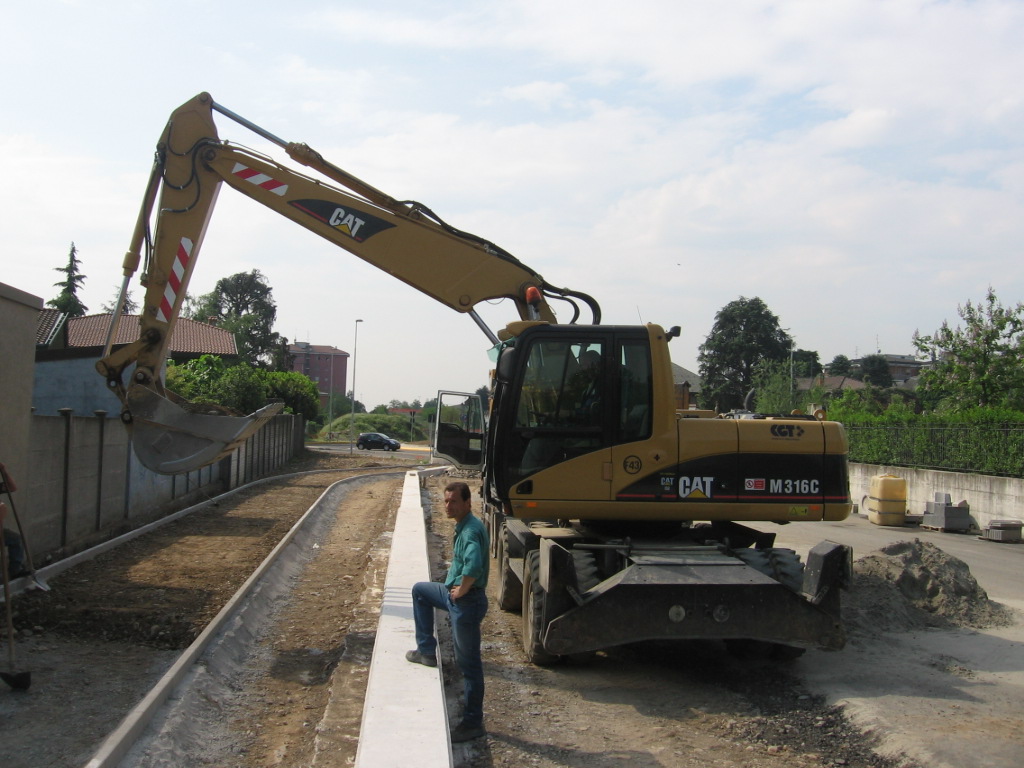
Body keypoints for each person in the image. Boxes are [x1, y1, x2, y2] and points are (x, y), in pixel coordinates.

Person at [407, 481, 490, 743]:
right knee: (420, 591)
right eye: (445, 501)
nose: (448, 506)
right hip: (456, 596)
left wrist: (462, 590)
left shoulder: (470, 531)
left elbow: (474, 566)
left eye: (454, 501)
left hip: (466, 603)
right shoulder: (465, 525)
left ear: (467, 503)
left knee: (469, 664)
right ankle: (426, 651)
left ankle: (473, 722)